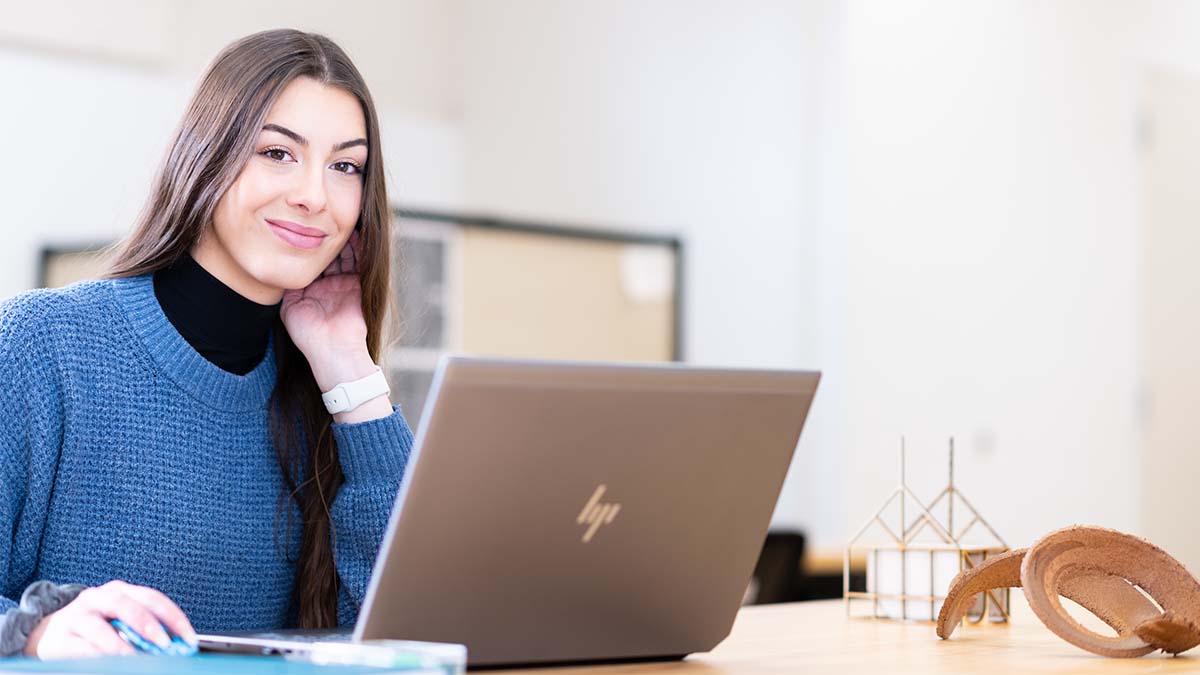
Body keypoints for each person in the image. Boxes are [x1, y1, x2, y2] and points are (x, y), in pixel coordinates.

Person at [0, 29, 413, 659]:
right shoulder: (40, 348)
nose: (313, 195)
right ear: (207, 155)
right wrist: (34, 632)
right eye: (278, 153)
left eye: (345, 166)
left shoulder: (323, 394)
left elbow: (408, 626)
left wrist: (349, 373)